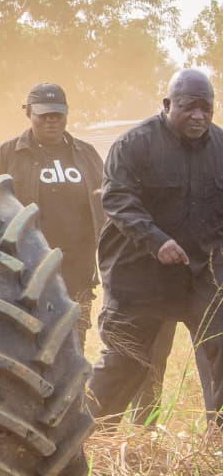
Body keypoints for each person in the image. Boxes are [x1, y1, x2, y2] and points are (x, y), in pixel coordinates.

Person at [87, 69, 223, 425]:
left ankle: (218, 439)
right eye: (188, 107)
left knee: (220, 347)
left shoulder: (222, 147)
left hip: (200, 274)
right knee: (127, 359)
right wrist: (156, 240)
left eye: (206, 107)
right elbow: (117, 199)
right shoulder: (134, 145)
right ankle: (84, 436)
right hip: (140, 274)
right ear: (167, 105)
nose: (199, 115)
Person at [0, 83, 104, 349]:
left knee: (75, 341)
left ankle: (73, 392)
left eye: (58, 115)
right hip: (26, 268)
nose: (52, 121)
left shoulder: (86, 155)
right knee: (32, 342)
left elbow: (105, 201)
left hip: (78, 268)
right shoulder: (6, 155)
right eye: (44, 115)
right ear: (29, 113)